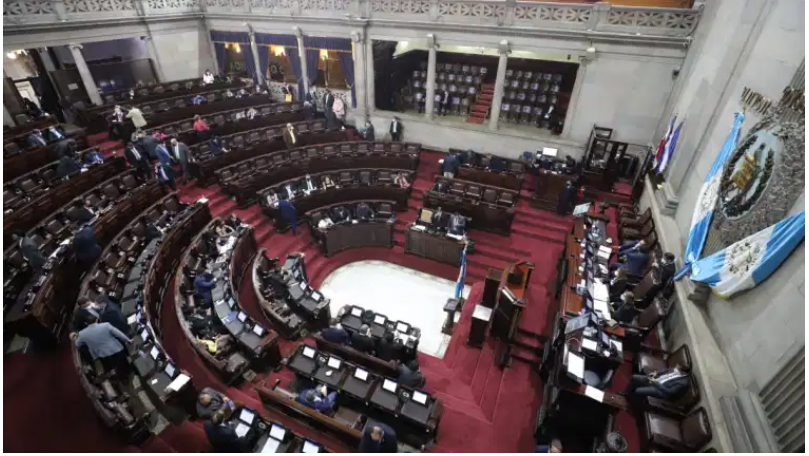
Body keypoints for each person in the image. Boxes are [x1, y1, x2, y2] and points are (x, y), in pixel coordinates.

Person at [623, 365, 690, 400]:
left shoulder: (683, 383)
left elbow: (669, 392)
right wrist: (655, 373)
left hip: (660, 390)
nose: (676, 366)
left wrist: (655, 382)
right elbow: (663, 371)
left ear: (683, 370)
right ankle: (627, 392)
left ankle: (631, 400)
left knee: (638, 390)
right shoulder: (675, 369)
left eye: (679, 366)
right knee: (634, 377)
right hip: (655, 379)